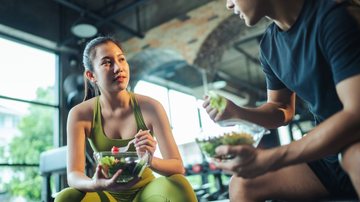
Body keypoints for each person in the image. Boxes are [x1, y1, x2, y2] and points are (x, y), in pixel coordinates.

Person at [203, 0, 360, 201]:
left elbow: (355, 115)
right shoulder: (269, 45)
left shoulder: (334, 17)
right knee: (242, 184)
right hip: (329, 153)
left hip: (354, 142)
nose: (228, 5)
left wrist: (271, 158)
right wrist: (238, 112)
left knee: (356, 158)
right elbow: (282, 108)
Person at [55, 36, 197, 202]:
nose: (118, 67)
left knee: (179, 184)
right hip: (104, 191)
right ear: (91, 75)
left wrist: (149, 160)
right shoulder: (80, 114)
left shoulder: (151, 107)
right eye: (107, 62)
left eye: (121, 59)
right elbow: (74, 175)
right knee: (66, 197)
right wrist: (95, 184)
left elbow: (177, 166)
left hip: (146, 191)